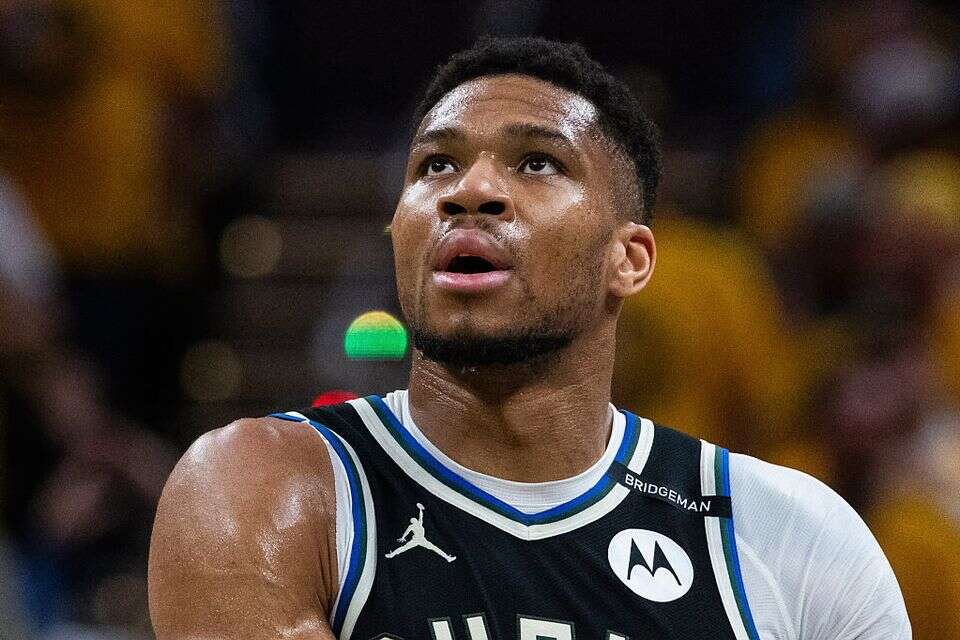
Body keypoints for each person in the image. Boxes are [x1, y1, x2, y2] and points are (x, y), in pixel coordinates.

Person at [148, 37, 909, 640]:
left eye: (537, 162)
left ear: (628, 259)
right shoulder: (264, 486)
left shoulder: (795, 538)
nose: (469, 190)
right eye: (435, 164)